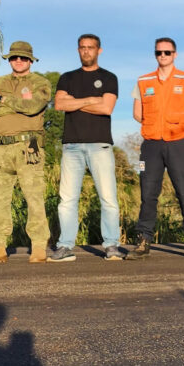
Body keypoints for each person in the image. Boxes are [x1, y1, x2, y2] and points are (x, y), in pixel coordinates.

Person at [128, 37, 184, 260]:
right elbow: (137, 113)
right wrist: (153, 125)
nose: (163, 56)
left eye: (167, 52)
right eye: (159, 52)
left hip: (179, 144)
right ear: (155, 54)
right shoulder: (143, 81)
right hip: (151, 145)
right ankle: (143, 241)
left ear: (175, 54)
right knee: (148, 194)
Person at [0, 41, 52, 264]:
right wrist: (18, 102)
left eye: (23, 58)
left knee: (34, 196)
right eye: (14, 57)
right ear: (9, 60)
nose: (19, 61)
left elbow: (34, 106)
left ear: (30, 60)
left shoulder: (40, 82)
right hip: (0, 148)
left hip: (29, 147)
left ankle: (38, 247)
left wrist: (4, 99)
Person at [48, 34, 123, 262]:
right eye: (82, 47)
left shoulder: (109, 78)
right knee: (67, 199)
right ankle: (65, 246)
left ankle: (111, 246)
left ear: (99, 50)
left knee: (108, 198)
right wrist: (91, 99)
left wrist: (76, 103)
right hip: (71, 146)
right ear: (78, 50)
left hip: (99, 145)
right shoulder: (67, 78)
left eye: (91, 48)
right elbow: (60, 103)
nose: (86, 51)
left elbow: (106, 108)